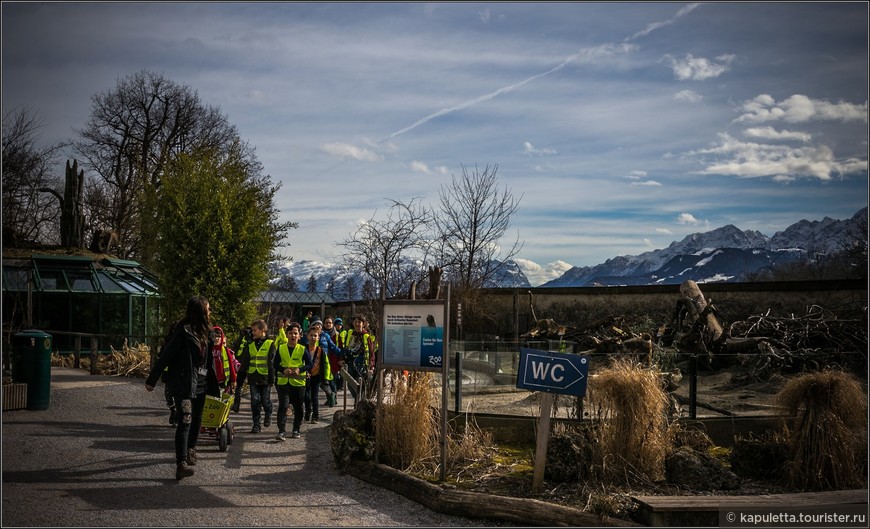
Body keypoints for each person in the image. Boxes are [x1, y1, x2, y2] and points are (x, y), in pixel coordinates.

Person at [145, 295, 214, 481]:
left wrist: (216, 385)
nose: (210, 311)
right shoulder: (182, 332)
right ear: (200, 310)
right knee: (185, 420)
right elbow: (166, 356)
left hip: (201, 383)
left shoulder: (207, 333)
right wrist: (152, 379)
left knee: (197, 419)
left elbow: (209, 362)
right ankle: (181, 463)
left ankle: (191, 449)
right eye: (208, 308)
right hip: (183, 384)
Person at [234, 319, 275, 433]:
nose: (252, 333)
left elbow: (271, 364)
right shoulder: (250, 345)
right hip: (253, 379)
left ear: (262, 331)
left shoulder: (270, 344)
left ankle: (268, 412)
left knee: (265, 401)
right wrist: (240, 381)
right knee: (255, 401)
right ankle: (256, 424)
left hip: (265, 379)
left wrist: (272, 380)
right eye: (252, 331)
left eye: (255, 330)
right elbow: (245, 364)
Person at [272, 321, 311, 440]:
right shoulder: (281, 348)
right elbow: (275, 364)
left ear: (299, 336)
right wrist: (283, 369)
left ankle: (296, 429)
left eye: (295, 333)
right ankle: (281, 431)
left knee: (298, 407)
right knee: (283, 406)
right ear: (287, 334)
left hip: (298, 384)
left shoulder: (303, 349)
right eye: (290, 333)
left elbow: (310, 364)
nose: (293, 336)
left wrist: (300, 369)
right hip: (283, 383)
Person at [302, 318, 340, 410]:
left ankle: (331, 395)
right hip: (310, 363)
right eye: (316, 324)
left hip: (322, 363)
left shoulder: (325, 336)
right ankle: (309, 407)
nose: (318, 326)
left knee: (324, 384)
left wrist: (341, 354)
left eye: (319, 325)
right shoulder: (308, 335)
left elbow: (333, 346)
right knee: (310, 387)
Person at [340, 314, 378, 403]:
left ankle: (359, 403)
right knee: (350, 384)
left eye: (359, 322)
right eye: (356, 322)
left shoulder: (366, 336)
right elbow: (345, 347)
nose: (357, 324)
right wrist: (342, 358)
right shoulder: (349, 333)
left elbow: (372, 352)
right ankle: (358, 401)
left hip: (362, 364)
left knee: (360, 385)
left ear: (363, 324)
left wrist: (371, 366)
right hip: (350, 362)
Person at [230, 325, 253, 413]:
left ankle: (237, 405)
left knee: (248, 386)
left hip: (247, 364)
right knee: (240, 385)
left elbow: (235, 347)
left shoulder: (249, 338)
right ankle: (236, 405)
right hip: (242, 364)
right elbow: (235, 347)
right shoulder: (245, 337)